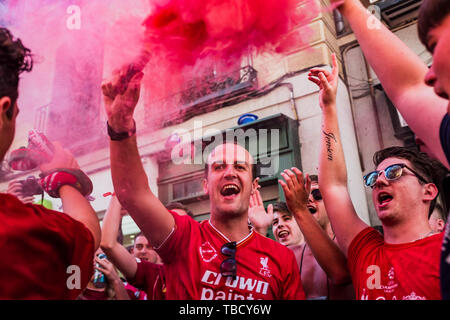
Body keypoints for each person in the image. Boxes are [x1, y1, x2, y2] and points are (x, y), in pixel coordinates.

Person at [101, 70, 305, 299]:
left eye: (240, 167)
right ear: (206, 185)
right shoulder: (184, 238)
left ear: (254, 186)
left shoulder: (281, 258)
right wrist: (121, 128)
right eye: (219, 167)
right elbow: (133, 194)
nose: (230, 173)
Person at [311, 53, 444, 299]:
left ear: (429, 191)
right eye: (374, 178)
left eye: (395, 173)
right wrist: (329, 107)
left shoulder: (443, 252)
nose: (380, 181)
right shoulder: (365, 250)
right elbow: (334, 187)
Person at [0, 27, 100, 299]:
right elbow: (86, 236)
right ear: (3, 111)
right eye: (16, 112)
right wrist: (64, 176)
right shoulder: (25, 230)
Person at [100, 195, 165, 300]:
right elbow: (109, 244)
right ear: (131, 251)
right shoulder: (126, 288)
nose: (143, 251)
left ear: (158, 251)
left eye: (149, 247)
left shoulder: (165, 276)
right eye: (139, 247)